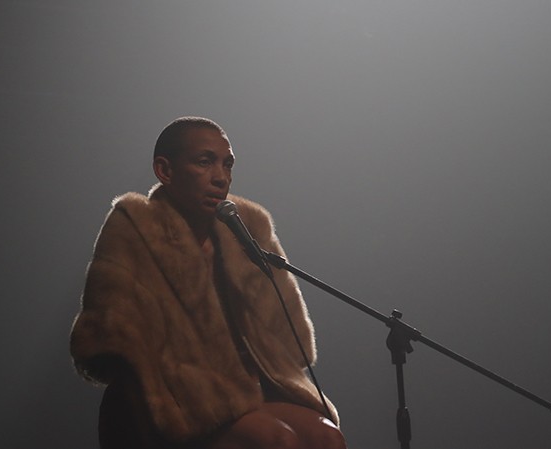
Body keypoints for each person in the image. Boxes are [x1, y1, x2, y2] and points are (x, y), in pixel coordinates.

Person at [70, 117, 347, 449]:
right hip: (167, 402)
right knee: (277, 441)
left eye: (227, 164)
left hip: (248, 392)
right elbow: (103, 341)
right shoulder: (134, 226)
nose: (221, 177)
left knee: (327, 436)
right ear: (165, 170)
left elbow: (291, 338)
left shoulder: (246, 228)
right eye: (205, 162)